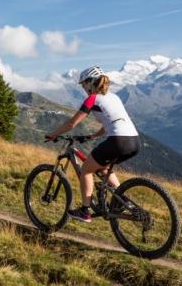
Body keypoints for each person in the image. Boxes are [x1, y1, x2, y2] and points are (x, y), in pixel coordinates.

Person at [44, 66, 140, 222]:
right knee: (103, 167)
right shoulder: (114, 97)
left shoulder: (92, 99)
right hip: (134, 142)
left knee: (87, 170)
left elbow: (72, 123)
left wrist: (54, 134)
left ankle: (85, 211)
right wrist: (94, 135)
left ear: (90, 83)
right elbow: (112, 121)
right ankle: (122, 199)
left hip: (118, 141)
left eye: (84, 85)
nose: (83, 88)